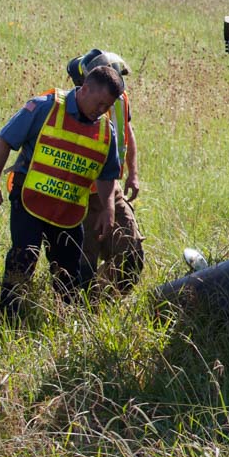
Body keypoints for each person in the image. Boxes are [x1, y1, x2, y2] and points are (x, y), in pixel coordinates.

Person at [0, 66, 124, 316]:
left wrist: (108, 208)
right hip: (30, 201)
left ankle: (65, 320)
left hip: (69, 211)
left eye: (107, 106)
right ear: (85, 89)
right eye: (99, 103)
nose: (101, 110)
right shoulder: (44, 107)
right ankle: (8, 320)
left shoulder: (105, 131)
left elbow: (107, 174)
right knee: (23, 259)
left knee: (69, 272)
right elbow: (4, 140)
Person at [67, 50, 144, 289]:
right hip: (82, 194)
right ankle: (81, 304)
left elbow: (127, 132)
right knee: (83, 261)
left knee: (131, 251)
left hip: (112, 189)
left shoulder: (121, 100)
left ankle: (108, 298)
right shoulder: (77, 107)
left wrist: (133, 174)